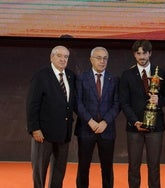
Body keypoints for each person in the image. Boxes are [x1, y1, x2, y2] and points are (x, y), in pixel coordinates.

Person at [119, 40, 165, 188]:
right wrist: (135, 121)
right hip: (134, 127)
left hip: (156, 127)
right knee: (134, 166)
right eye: (138, 53)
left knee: (154, 166)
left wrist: (159, 100)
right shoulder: (127, 75)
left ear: (150, 53)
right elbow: (124, 102)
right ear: (134, 55)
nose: (141, 56)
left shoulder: (160, 72)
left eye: (144, 53)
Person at [26, 45, 76, 188]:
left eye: (66, 57)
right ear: (51, 57)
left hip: (64, 133)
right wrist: (34, 128)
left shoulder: (71, 76)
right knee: (40, 170)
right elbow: (32, 104)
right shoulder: (41, 76)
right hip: (44, 133)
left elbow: (72, 103)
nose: (63, 59)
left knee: (59, 171)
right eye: (59, 56)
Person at [75, 47, 120, 188]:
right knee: (83, 167)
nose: (102, 61)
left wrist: (105, 122)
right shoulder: (81, 78)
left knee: (107, 168)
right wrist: (90, 121)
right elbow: (78, 103)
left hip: (107, 130)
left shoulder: (114, 79)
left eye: (105, 58)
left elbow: (117, 103)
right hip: (86, 129)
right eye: (98, 58)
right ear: (91, 59)